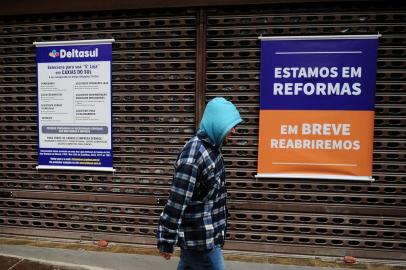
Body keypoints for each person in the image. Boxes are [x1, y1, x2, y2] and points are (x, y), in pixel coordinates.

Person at [156, 97, 243, 270]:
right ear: (217, 123)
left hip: (208, 236)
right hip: (201, 243)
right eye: (231, 125)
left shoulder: (212, 149)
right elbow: (176, 202)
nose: (234, 131)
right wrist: (166, 240)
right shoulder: (193, 154)